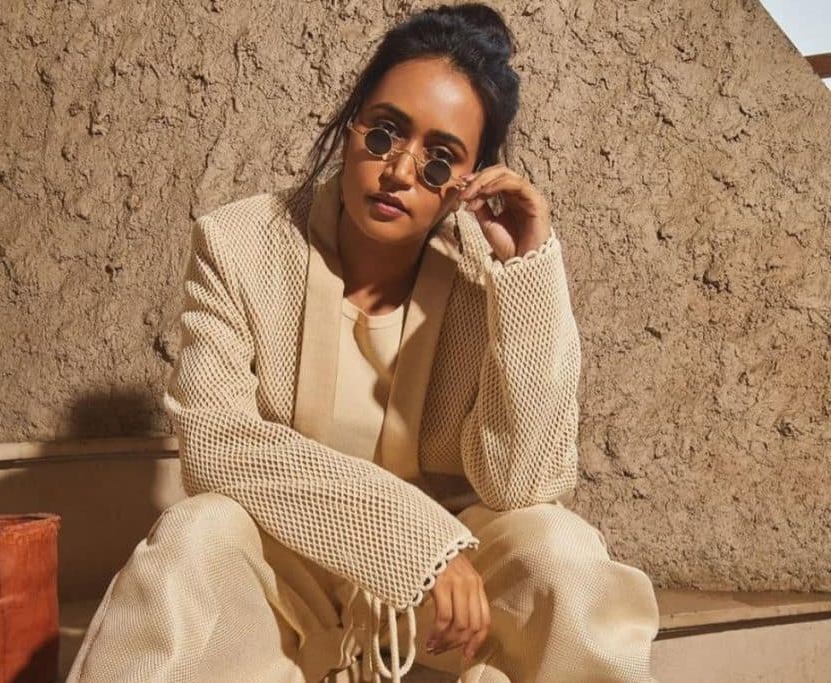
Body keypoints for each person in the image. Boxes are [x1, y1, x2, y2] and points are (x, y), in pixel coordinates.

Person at [66, 4, 659, 682]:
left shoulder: (483, 278)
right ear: (351, 125)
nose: (400, 170)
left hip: (452, 610)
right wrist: (416, 543)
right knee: (195, 533)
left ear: (467, 183)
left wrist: (527, 273)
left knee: (561, 546)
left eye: (440, 160)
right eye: (384, 133)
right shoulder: (240, 244)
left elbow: (521, 483)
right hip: (289, 585)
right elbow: (217, 443)